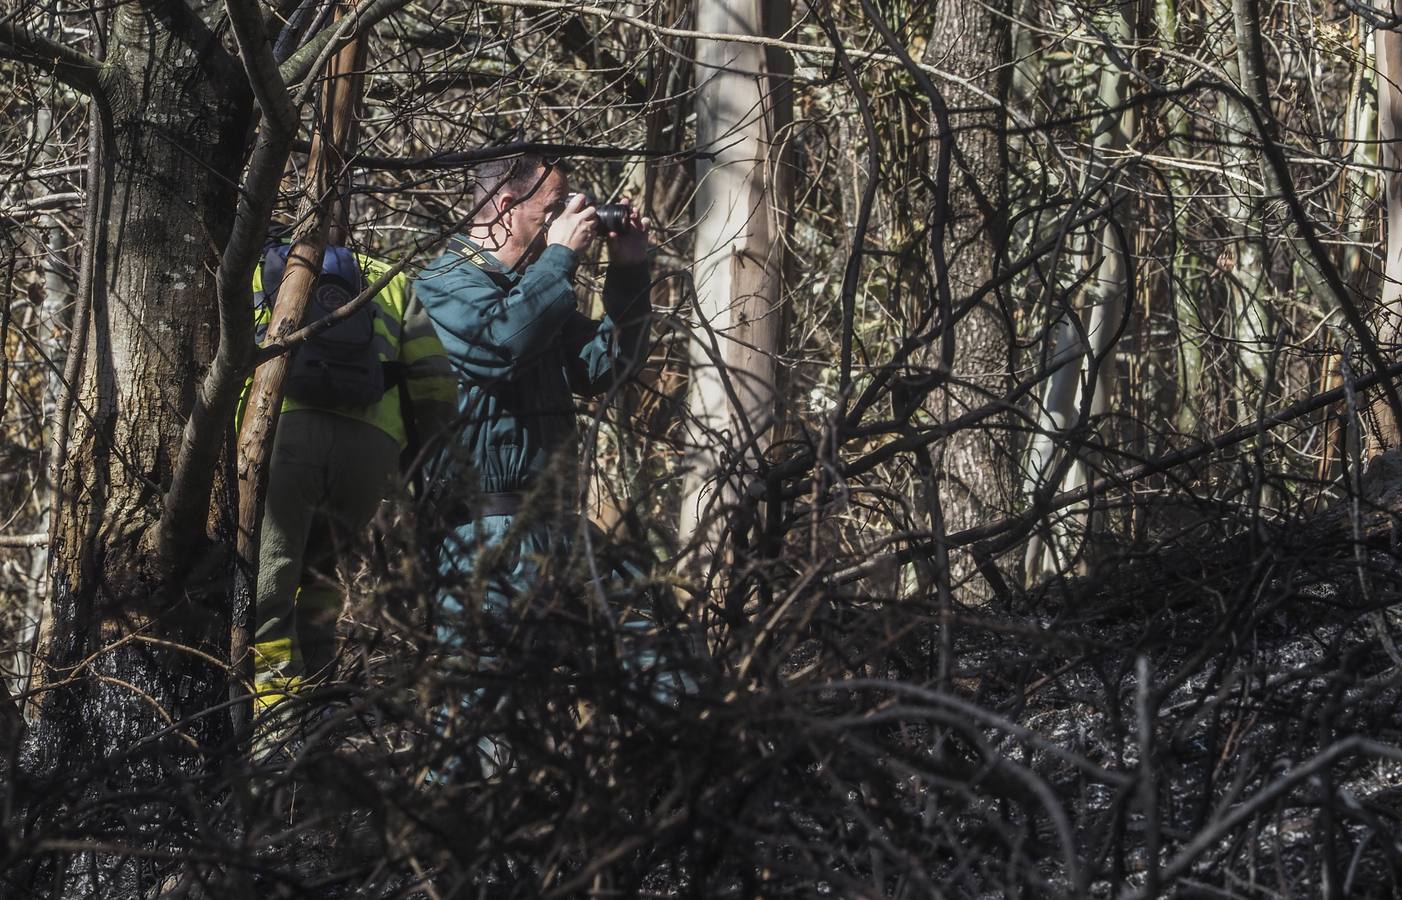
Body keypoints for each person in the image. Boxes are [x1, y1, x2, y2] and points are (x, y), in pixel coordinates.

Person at [414, 154, 663, 704]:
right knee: (484, 725)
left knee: (659, 662)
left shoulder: (530, 291)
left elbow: (606, 367)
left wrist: (627, 269)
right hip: (484, 533)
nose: (561, 224)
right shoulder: (443, 284)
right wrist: (558, 258)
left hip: (557, 527)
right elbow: (503, 345)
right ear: (505, 208)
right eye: (551, 210)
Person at [248, 248, 457, 742]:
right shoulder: (389, 276)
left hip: (284, 435)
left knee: (267, 596)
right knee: (320, 581)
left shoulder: (259, 263)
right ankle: (318, 719)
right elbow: (435, 380)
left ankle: (274, 734)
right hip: (370, 449)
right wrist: (428, 463)